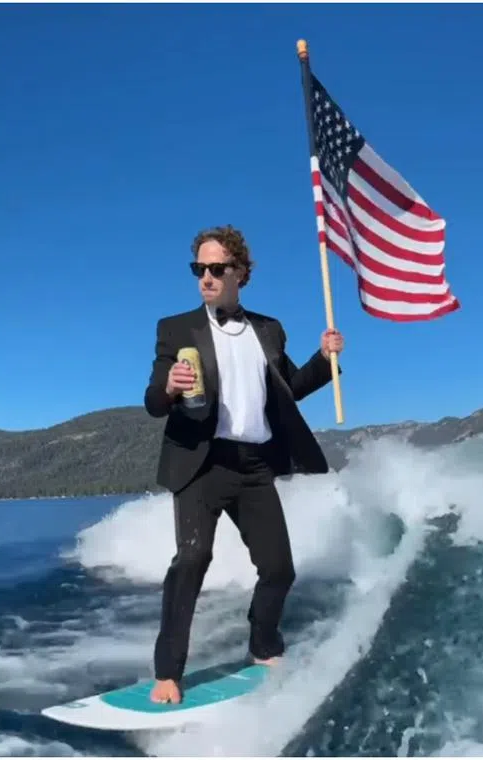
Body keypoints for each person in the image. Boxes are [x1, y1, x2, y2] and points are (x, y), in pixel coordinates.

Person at [142, 224, 344, 705]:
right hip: (200, 463)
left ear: (241, 274)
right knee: (191, 561)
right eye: (199, 269)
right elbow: (153, 400)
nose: (206, 277)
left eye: (217, 268)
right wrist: (170, 385)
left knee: (280, 569)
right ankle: (168, 671)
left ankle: (263, 644)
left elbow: (288, 388)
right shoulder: (176, 329)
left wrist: (325, 358)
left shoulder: (268, 330)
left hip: (254, 466)